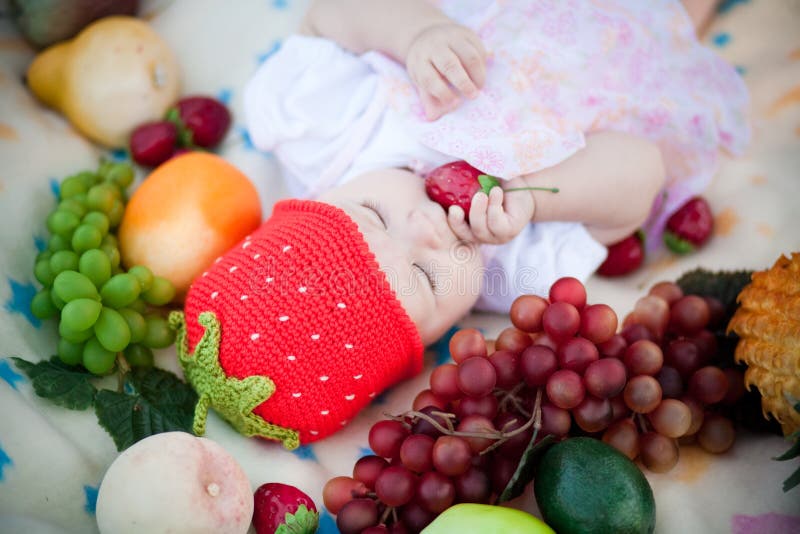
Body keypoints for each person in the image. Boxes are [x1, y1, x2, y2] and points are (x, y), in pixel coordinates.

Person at [174, 0, 748, 448]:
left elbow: (334, 13)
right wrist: (533, 198)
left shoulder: (325, 127)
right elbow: (641, 174)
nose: (428, 229)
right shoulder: (513, 272)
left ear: (323, 197)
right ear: (429, 345)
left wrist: (416, 34)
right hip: (621, 45)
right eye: (424, 278)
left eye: (376, 215)